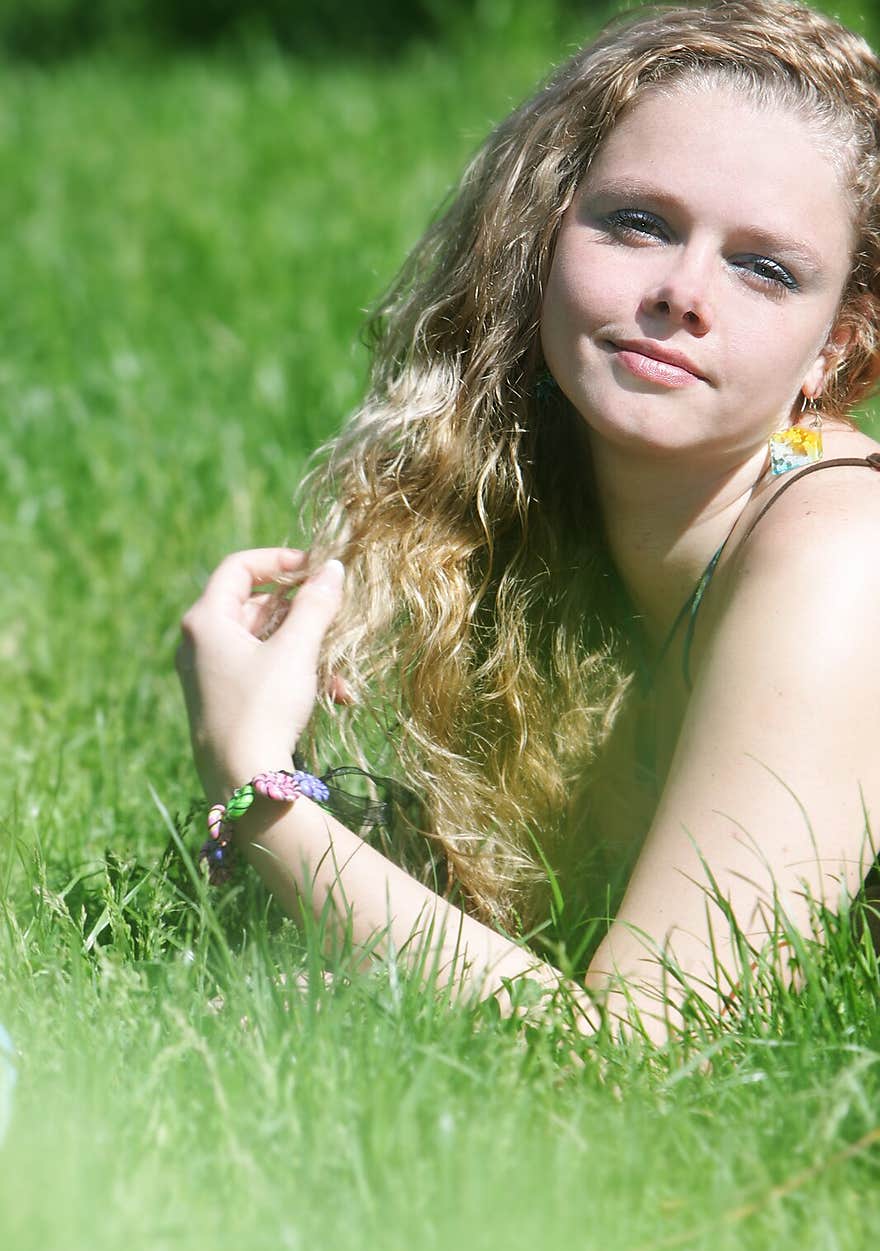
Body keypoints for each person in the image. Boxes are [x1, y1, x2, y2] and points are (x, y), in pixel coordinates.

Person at [176, 0, 880, 1042]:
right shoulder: (556, 528)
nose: (683, 292)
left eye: (764, 268)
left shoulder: (841, 557)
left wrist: (257, 787)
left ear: (839, 346)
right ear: (540, 238)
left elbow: (644, 1058)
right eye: (639, 222)